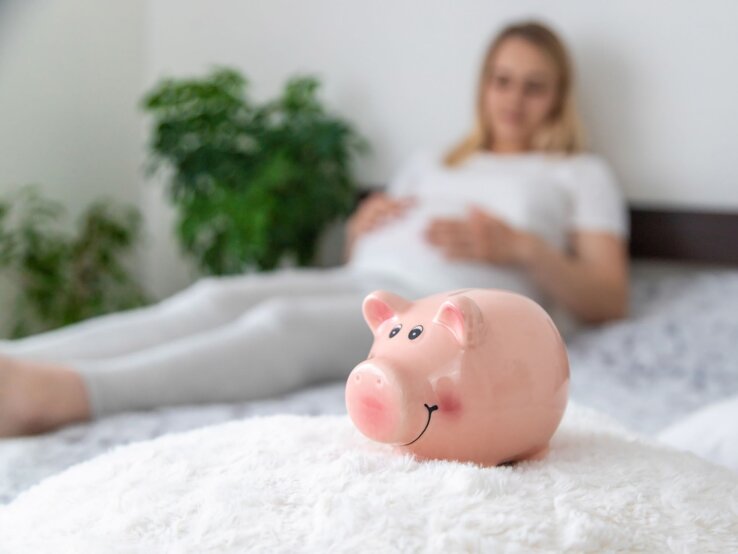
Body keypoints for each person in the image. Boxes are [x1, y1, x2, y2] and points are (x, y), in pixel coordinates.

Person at [0, 20, 629, 436]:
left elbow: (608, 296)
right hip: (367, 279)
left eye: (534, 86)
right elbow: (360, 258)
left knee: (282, 326)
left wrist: (519, 247)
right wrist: (362, 228)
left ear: (559, 97)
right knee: (215, 297)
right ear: (483, 86)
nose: (513, 99)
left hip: (422, 318)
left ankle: (64, 396)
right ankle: (20, 360)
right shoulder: (433, 163)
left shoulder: (577, 172)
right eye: (502, 80)